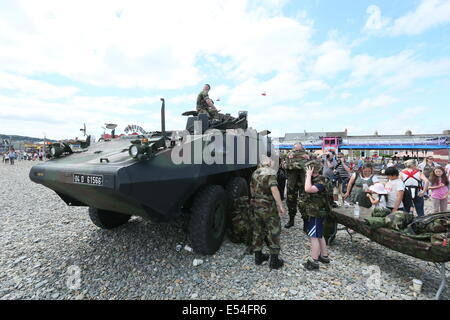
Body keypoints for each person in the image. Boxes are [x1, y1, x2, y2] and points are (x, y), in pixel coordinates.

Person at [250, 155, 286, 269]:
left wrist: (254, 198)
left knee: (258, 230)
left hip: (257, 206)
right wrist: (280, 205)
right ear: (268, 162)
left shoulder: (255, 173)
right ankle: (274, 261)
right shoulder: (270, 173)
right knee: (274, 231)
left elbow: (251, 188)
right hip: (268, 207)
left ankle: (258, 257)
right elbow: (274, 190)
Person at [302, 160, 332, 271]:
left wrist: (308, 175)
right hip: (317, 212)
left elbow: (308, 189)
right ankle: (324, 256)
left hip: (316, 213)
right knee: (319, 235)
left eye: (307, 170)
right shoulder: (318, 179)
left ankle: (313, 261)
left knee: (313, 236)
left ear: (311, 170)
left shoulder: (320, 181)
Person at [284, 143, 310, 229]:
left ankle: (306, 222)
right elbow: (284, 165)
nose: (297, 152)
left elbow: (315, 165)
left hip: (304, 183)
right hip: (292, 183)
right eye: (296, 150)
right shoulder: (289, 155)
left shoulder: (308, 154)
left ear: (302, 148)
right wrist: (294, 165)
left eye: (299, 150)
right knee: (290, 202)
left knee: (304, 203)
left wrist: (308, 159)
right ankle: (291, 220)